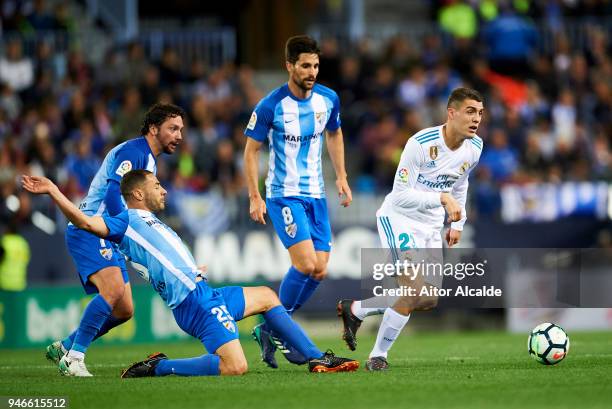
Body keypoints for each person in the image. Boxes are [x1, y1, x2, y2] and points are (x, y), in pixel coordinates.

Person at [22, 171, 359, 376]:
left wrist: (190, 269)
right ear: (138, 193)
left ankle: (317, 358)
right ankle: (160, 367)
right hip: (193, 304)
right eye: (156, 185)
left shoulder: (154, 223)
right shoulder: (124, 221)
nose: (163, 189)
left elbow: (159, 259)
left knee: (269, 297)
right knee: (235, 367)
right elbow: (83, 222)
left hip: (203, 292)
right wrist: (54, 191)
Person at [337, 87, 485, 371]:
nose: (476, 118)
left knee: (428, 299)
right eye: (469, 111)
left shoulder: (475, 147)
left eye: (479, 112)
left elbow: (461, 183)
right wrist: (442, 198)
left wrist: (458, 221)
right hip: (400, 219)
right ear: (451, 113)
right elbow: (401, 194)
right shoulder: (420, 143)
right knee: (414, 289)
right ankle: (378, 356)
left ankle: (355, 309)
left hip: (431, 225)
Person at [44, 103, 186, 377]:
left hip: (108, 233)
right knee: (111, 291)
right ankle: (74, 358)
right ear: (154, 129)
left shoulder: (149, 159)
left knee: (124, 310)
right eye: (173, 128)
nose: (179, 135)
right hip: (92, 229)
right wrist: (121, 229)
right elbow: (112, 194)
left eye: (180, 129)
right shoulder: (134, 152)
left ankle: (66, 346)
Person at [243, 35, 352, 368]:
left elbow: (334, 133)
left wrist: (342, 176)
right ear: (289, 65)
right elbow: (251, 151)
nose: (312, 71)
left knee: (319, 271)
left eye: (316, 65)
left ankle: (269, 327)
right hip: (284, 194)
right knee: (305, 264)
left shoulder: (328, 100)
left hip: (316, 194)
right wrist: (255, 195)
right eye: (305, 65)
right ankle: (280, 329)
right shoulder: (270, 106)